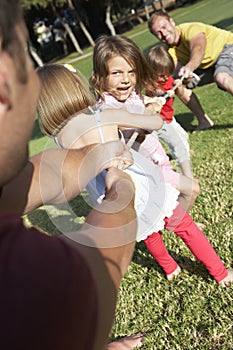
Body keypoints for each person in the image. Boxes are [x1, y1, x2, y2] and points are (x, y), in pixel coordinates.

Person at [0, 1, 145, 349]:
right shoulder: (24, 275)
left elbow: (22, 186)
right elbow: (96, 272)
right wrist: (119, 190)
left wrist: (93, 157)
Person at [37, 63, 233, 286]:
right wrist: (150, 110)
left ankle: (170, 268)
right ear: (75, 87)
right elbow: (155, 122)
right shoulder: (104, 115)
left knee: (147, 231)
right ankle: (221, 274)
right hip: (138, 184)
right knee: (183, 225)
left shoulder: (60, 139)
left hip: (106, 197)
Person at [90, 34, 199, 212]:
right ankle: (177, 224)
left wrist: (147, 102)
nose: (126, 79)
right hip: (144, 171)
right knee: (191, 189)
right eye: (116, 73)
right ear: (101, 76)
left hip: (157, 161)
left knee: (169, 199)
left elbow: (135, 106)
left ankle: (174, 223)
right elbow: (131, 128)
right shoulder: (106, 107)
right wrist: (150, 114)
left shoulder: (130, 94)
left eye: (131, 72)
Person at [147, 11, 233, 131]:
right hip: (207, 66)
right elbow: (178, 73)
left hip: (227, 48)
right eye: (158, 33)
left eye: (164, 27)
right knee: (178, 85)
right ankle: (204, 121)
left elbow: (198, 49)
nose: (164, 34)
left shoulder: (190, 29)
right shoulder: (171, 52)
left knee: (221, 77)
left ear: (172, 22)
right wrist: (184, 79)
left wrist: (190, 67)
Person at [146, 44, 193, 178]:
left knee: (183, 135)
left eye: (168, 74)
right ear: (152, 72)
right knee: (170, 140)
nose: (166, 78)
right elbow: (154, 92)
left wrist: (178, 85)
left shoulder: (169, 80)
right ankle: (179, 158)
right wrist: (160, 93)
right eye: (161, 75)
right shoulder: (152, 84)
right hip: (159, 120)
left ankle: (184, 153)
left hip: (169, 117)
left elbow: (181, 89)